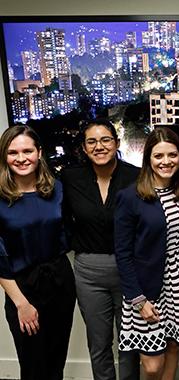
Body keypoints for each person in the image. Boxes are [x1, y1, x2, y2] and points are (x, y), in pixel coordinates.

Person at [61, 119, 140, 380]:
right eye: (91, 141)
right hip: (88, 273)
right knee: (99, 344)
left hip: (129, 272)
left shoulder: (135, 177)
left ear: (116, 143)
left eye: (105, 140)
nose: (99, 146)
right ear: (83, 148)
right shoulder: (70, 178)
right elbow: (60, 220)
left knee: (130, 343)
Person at [114, 127, 179, 380]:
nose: (166, 161)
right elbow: (123, 254)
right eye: (159, 156)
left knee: (172, 348)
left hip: (178, 284)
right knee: (151, 366)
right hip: (146, 290)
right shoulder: (130, 196)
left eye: (172, 155)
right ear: (148, 159)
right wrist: (138, 299)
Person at [0, 125, 76, 380]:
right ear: (4, 157)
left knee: (56, 363)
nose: (21, 158)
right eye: (13, 152)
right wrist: (21, 303)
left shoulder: (57, 189)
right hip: (21, 287)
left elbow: (67, 232)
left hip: (60, 281)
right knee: (33, 367)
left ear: (39, 152)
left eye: (27, 151)